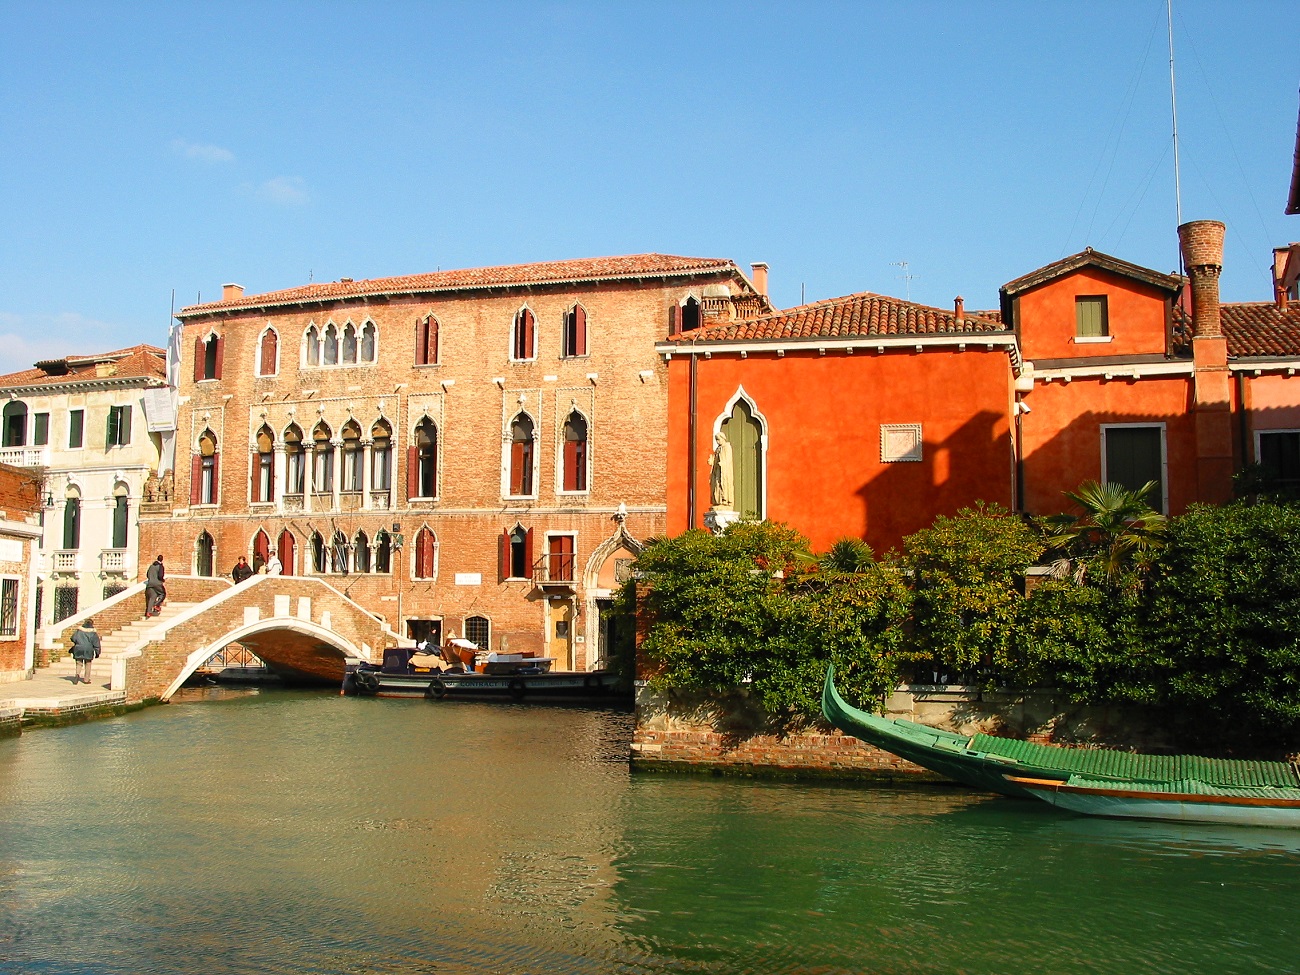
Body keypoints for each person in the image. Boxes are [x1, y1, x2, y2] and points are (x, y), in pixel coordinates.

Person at [69, 618, 101, 685]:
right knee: (88, 664)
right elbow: (96, 643)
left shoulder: (79, 630)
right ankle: (86, 679)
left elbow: (73, 638)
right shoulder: (93, 633)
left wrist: (78, 643)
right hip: (88, 649)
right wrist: (97, 652)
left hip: (78, 648)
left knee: (79, 663)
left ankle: (77, 674)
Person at [708, 431, 734, 509]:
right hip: (717, 471)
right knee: (716, 485)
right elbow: (715, 459)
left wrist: (722, 463)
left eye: (718, 439)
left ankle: (724, 500)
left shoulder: (727, 447)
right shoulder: (718, 449)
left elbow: (728, 459)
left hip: (724, 471)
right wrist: (712, 461)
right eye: (716, 440)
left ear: (723, 438)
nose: (717, 441)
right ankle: (717, 501)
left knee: (723, 484)